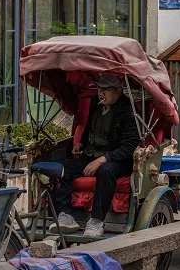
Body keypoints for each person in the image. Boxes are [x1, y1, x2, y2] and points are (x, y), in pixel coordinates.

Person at [53, 74, 140, 238]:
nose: (101, 94)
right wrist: (81, 143)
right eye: (100, 89)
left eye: (106, 90)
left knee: (106, 171)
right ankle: (65, 215)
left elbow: (128, 148)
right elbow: (90, 130)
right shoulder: (97, 104)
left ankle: (97, 220)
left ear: (118, 91)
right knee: (63, 167)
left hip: (118, 160)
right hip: (92, 155)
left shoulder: (128, 112)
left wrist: (102, 160)